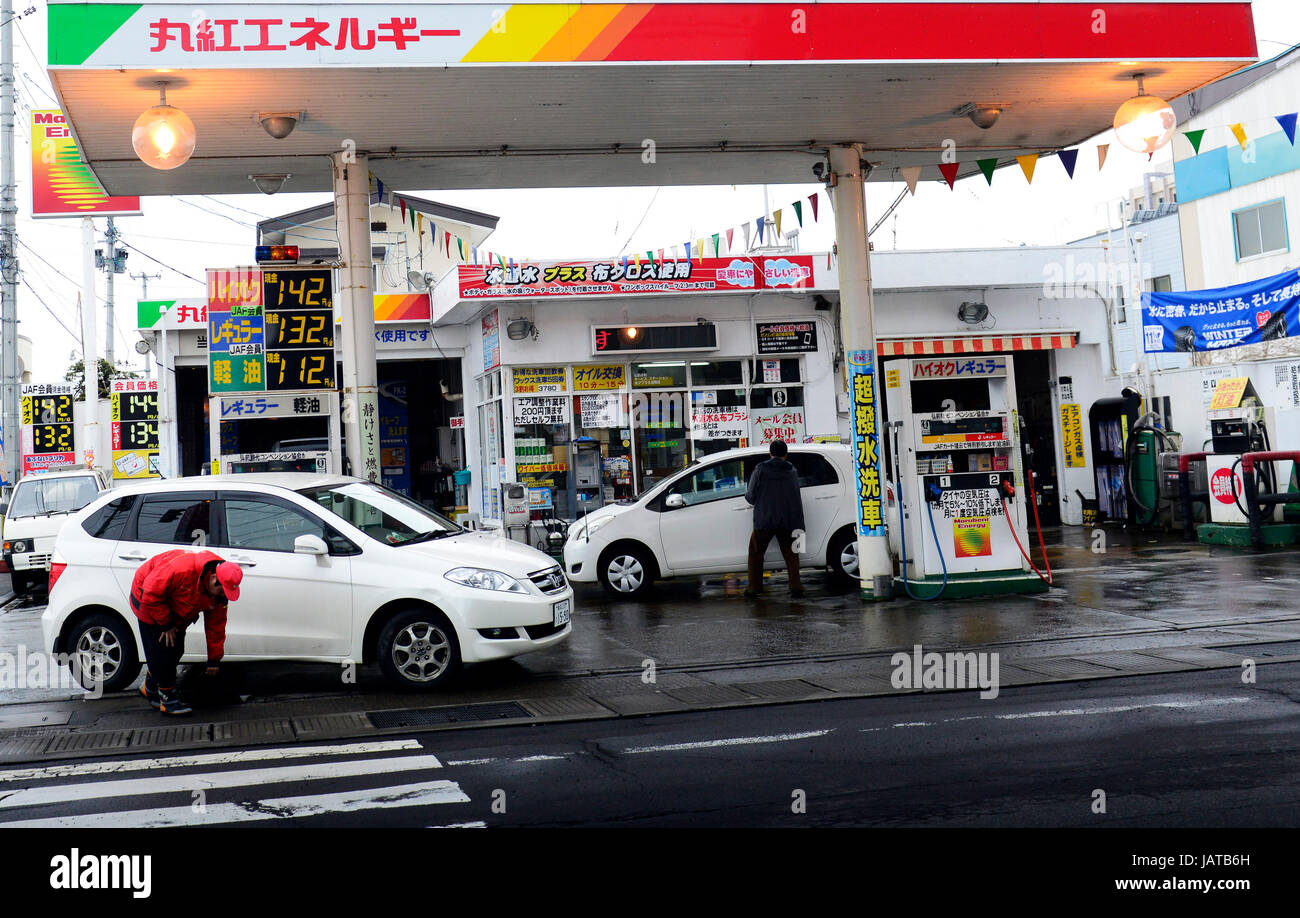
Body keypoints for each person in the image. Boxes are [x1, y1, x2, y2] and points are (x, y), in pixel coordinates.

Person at [129, 549, 243, 716]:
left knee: (177, 650)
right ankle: (168, 699)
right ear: (213, 579)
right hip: (147, 599)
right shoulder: (182, 569)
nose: (223, 597)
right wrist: (166, 624)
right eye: (221, 592)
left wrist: (214, 660)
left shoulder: (218, 593)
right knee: (163, 650)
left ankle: (150, 687)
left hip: (176, 607)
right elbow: (151, 593)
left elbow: (216, 627)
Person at [745, 440, 805, 599]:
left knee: (756, 552)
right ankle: (796, 586)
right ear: (785, 454)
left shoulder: (760, 469)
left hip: (765, 519)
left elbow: (750, 497)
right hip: (789, 520)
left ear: (770, 453)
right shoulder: (792, 470)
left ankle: (754, 588)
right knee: (792, 554)